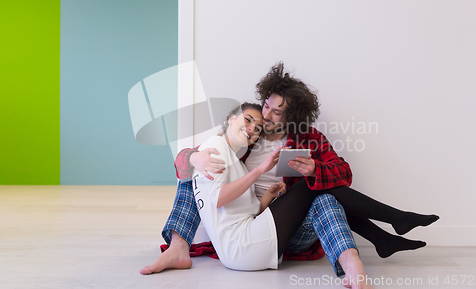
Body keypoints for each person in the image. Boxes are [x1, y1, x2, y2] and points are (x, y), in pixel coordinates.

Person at [141, 63, 438, 287]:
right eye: (266, 106)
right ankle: (179, 247)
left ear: (292, 116)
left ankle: (352, 263)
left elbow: (344, 173)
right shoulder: (247, 133)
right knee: (193, 173)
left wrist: (315, 170)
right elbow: (182, 164)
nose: (265, 116)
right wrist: (195, 157)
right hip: (244, 222)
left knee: (321, 196)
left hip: (289, 230)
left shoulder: (309, 139)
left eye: (276, 112)